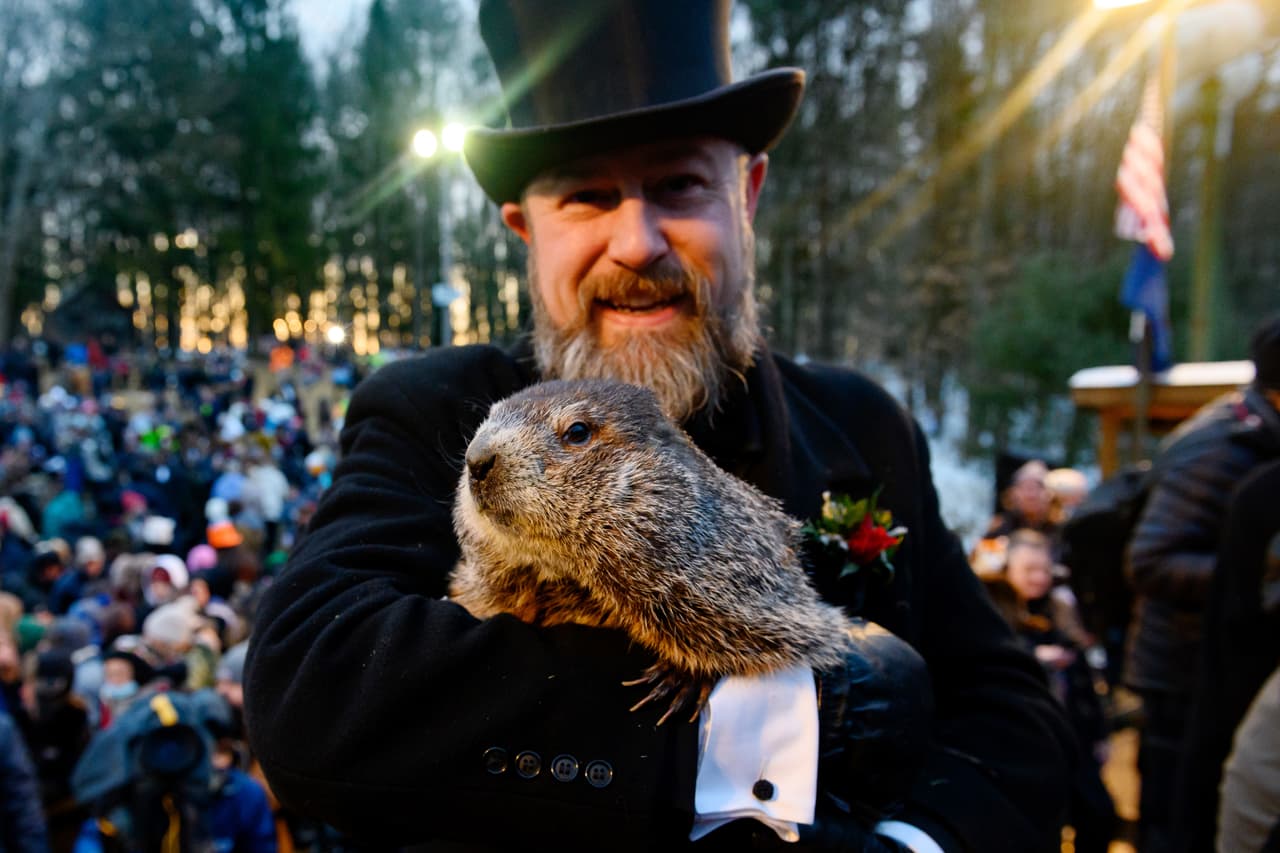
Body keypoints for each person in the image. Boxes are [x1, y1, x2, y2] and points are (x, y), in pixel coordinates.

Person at [245, 2, 1073, 850]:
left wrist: (907, 845)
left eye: (679, 184)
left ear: (746, 195)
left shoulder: (863, 423)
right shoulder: (437, 411)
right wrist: (766, 714)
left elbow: (1017, 724)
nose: (637, 242)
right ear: (526, 230)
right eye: (587, 196)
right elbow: (314, 690)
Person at [1124, 314, 1280, 853]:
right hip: (1182, 676)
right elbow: (1150, 560)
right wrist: (1253, 570)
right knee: (1177, 826)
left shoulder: (1256, 439)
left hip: (1219, 670)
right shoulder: (1223, 448)